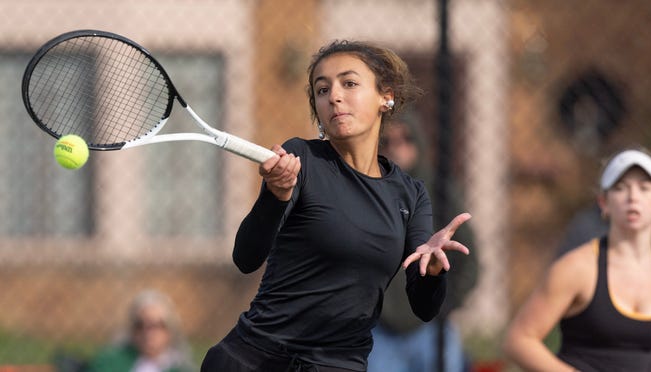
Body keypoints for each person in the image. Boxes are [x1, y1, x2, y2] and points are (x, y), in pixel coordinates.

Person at [200, 40, 472, 372]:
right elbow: (245, 258)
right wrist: (276, 195)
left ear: (385, 97)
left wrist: (432, 272)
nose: (334, 96)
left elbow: (424, 307)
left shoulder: (410, 193)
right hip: (255, 359)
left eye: (349, 83)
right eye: (322, 89)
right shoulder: (303, 159)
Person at [503, 148, 651, 371]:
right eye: (620, 188)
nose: (633, 197)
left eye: (645, 188)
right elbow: (519, 341)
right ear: (603, 202)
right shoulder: (577, 268)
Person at [368, 118, 476, 372]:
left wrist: (444, 304)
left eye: (406, 140)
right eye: (387, 142)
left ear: (419, 143)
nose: (397, 148)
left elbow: (470, 263)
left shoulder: (440, 191)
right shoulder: (367, 193)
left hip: (431, 327)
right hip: (380, 329)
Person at [86, 289, 194, 372]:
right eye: (140, 325)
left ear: (170, 330)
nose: (148, 332)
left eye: (157, 325)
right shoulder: (110, 363)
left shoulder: (180, 367)